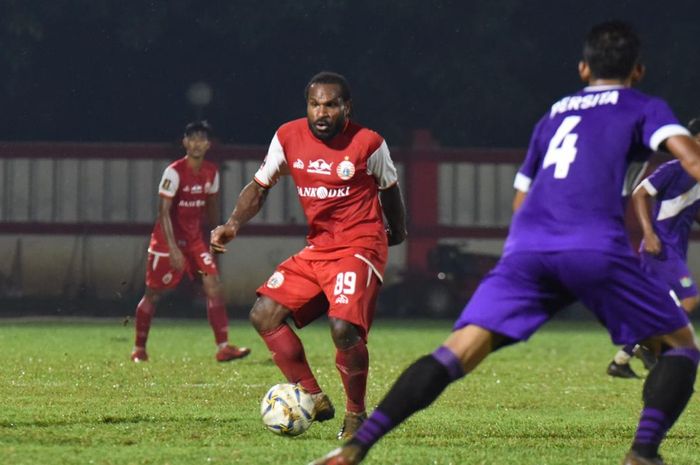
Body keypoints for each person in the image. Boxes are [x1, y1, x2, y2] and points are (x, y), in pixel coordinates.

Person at [309, 21, 700, 465]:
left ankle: (355, 447)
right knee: (682, 345)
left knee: (456, 351)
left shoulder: (554, 114)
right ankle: (643, 452)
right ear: (639, 71)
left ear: (583, 68)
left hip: (528, 247)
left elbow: (521, 198)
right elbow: (691, 159)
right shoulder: (642, 105)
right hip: (594, 245)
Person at [210, 71, 407, 439]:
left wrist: (398, 231)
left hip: (360, 246)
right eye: (314, 104)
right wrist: (233, 223)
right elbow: (260, 184)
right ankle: (314, 397)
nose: (321, 112)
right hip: (319, 247)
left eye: (331, 105)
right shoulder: (288, 136)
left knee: (343, 328)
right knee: (264, 314)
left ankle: (356, 416)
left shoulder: (369, 143)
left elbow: (389, 189)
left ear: (346, 107)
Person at [130, 121, 250, 363]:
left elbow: (211, 207)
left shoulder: (211, 172)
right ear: (185, 142)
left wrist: (217, 233)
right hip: (167, 242)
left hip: (195, 242)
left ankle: (223, 347)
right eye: (191, 138)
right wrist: (173, 249)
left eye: (201, 139)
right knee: (153, 294)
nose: (196, 143)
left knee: (213, 287)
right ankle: (139, 349)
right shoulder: (173, 172)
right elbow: (163, 213)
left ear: (208, 144)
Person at [607, 117, 700, 378]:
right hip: (660, 248)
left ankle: (624, 359)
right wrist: (649, 234)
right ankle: (659, 347)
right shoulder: (675, 167)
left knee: (660, 307)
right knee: (689, 299)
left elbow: (690, 211)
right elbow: (640, 193)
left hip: (674, 249)